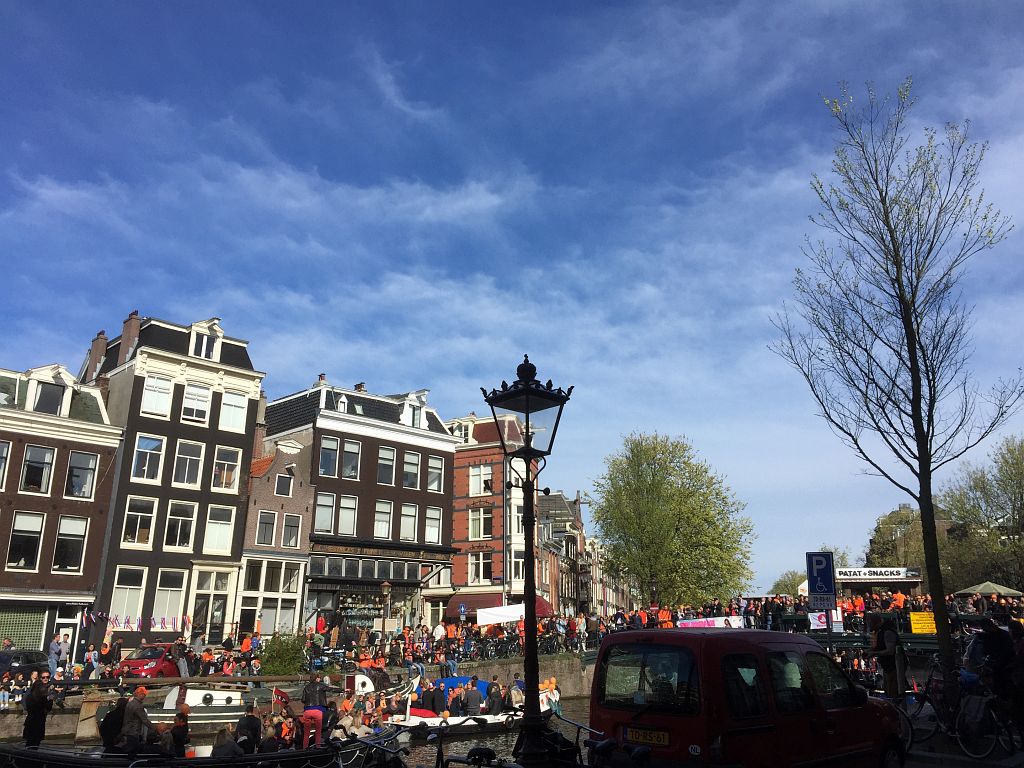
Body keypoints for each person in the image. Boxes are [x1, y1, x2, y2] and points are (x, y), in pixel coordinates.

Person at [867, 613, 906, 703]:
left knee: (893, 690)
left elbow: (890, 651)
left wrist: (873, 653)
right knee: (888, 689)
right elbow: (879, 646)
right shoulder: (880, 631)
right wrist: (869, 651)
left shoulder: (887, 632)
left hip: (894, 665)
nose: (869, 626)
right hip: (888, 666)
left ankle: (898, 710)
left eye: (870, 623)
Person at [120, 686, 160, 756]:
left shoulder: (130, 703)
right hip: (134, 732)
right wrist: (155, 729)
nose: (145, 696)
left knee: (128, 750)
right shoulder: (138, 706)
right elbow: (144, 720)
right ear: (140, 694)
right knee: (133, 751)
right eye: (144, 694)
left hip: (127, 730)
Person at [23, 671, 52, 747]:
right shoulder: (39, 691)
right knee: (33, 742)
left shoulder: (46, 690)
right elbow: (48, 707)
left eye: (47, 677)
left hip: (36, 719)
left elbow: (48, 707)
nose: (45, 679)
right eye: (43, 677)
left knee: (32, 742)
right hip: (36, 719)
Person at [300, 673, 329, 747]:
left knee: (306, 733)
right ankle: (317, 747)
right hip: (317, 710)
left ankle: (304, 748)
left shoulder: (306, 687)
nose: (320, 679)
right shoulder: (320, 685)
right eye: (319, 677)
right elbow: (331, 689)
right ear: (317, 678)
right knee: (318, 732)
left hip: (307, 711)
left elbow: (303, 700)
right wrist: (343, 690)